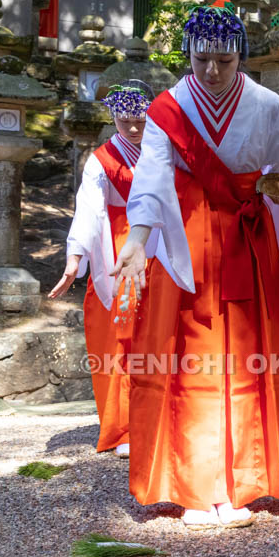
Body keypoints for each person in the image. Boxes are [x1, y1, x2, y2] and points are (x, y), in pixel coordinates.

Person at [111, 6, 279, 529]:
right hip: (187, 242)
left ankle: (245, 481)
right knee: (190, 358)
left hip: (247, 239)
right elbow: (150, 178)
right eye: (201, 59)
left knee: (248, 356)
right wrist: (137, 238)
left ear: (241, 55)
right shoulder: (168, 108)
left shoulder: (269, 106)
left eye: (224, 58)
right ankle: (195, 487)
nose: (212, 70)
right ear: (188, 55)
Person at [49, 81, 157, 457]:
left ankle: (163, 420)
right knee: (118, 340)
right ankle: (123, 427)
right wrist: (75, 257)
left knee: (162, 337)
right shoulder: (102, 159)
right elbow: (90, 208)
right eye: (125, 121)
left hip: (161, 245)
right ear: (113, 117)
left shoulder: (163, 151)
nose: (132, 129)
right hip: (118, 248)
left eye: (140, 121)